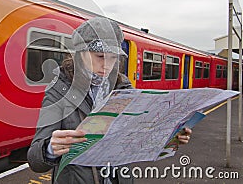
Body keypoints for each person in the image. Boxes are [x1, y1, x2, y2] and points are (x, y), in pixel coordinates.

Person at [27, 17, 192, 184]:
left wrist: (169, 138)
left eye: (113, 58)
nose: (107, 65)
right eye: (100, 56)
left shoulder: (124, 89)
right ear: (81, 54)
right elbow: (35, 160)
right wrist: (49, 149)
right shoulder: (59, 91)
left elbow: (139, 138)